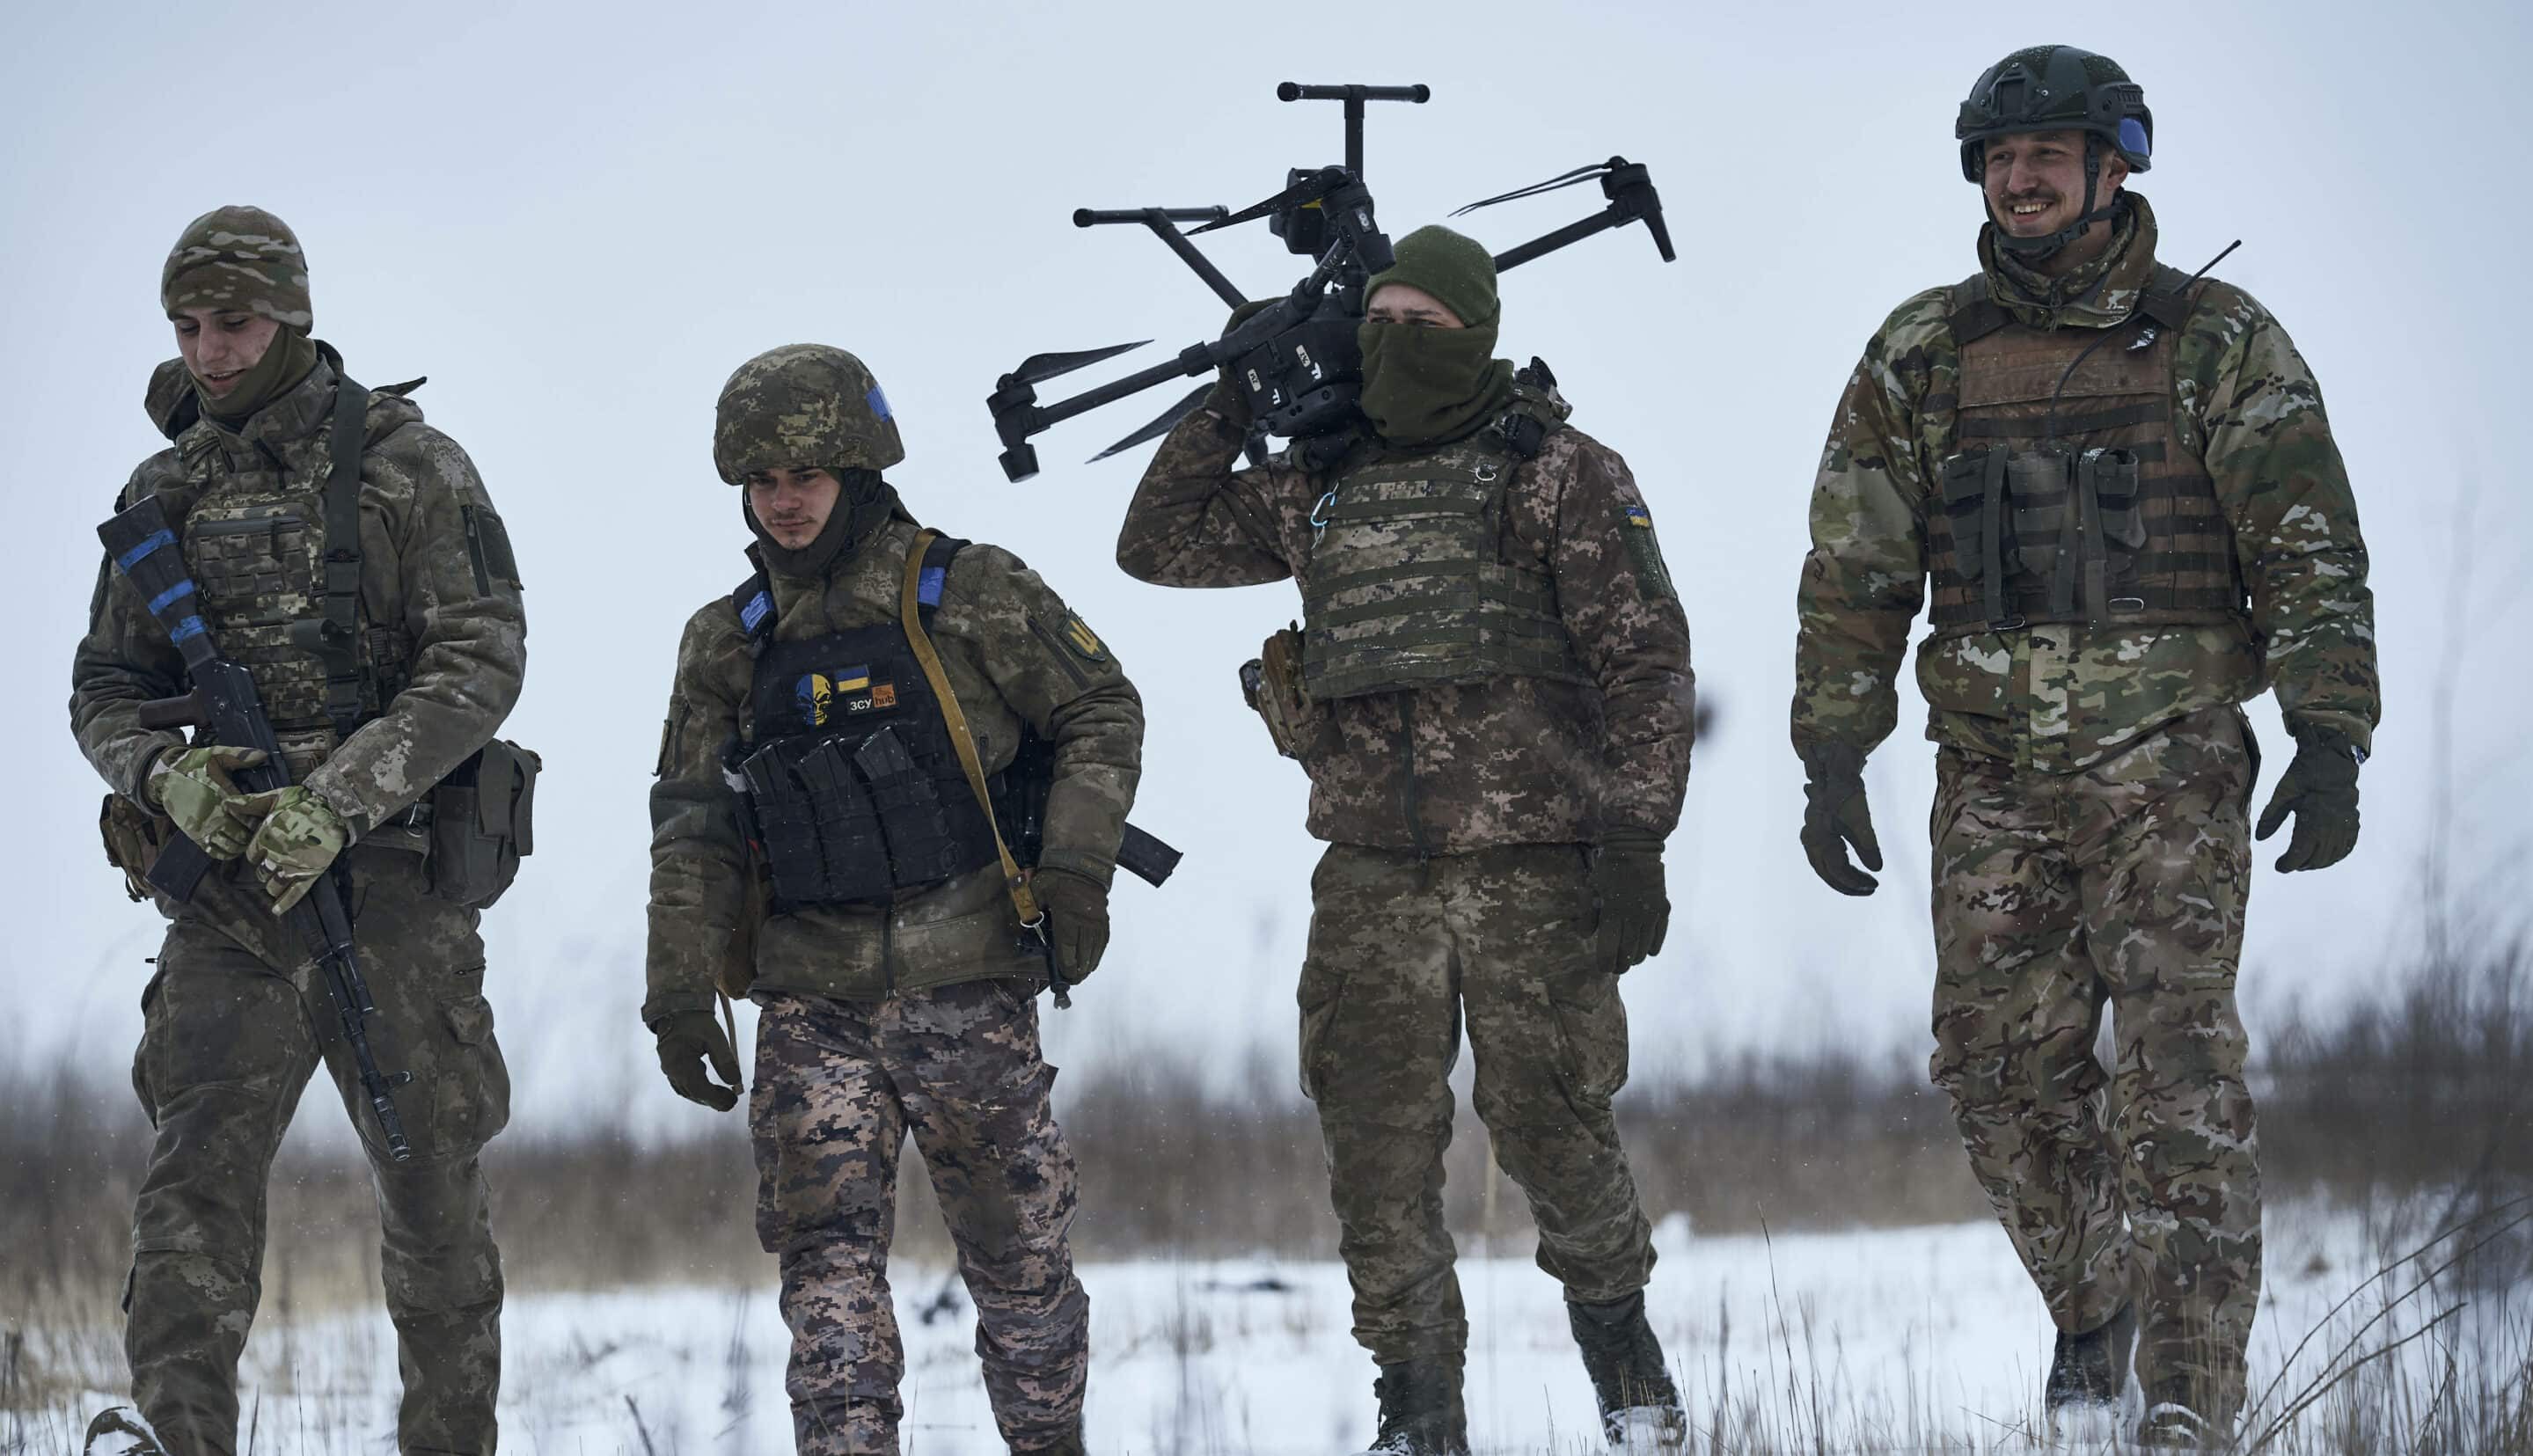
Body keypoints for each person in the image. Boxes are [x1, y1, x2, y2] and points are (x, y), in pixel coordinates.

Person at [1789, 47, 2378, 1445]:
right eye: (1999, 156)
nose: (2021, 174)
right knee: (1996, 1079)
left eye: (2051, 151)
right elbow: (1851, 566)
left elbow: (2306, 546)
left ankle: (2184, 1392)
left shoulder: (2213, 339)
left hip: (2163, 763)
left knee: (2178, 1079)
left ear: (2114, 168)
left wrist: (2328, 727)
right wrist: (1828, 751)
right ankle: (2092, 1297)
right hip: (1986, 775)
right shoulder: (1919, 352)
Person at [1117, 225, 1697, 1455]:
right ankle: (1418, 1407)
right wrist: (1232, 393)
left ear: (1475, 331)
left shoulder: (1557, 471)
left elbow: (1644, 659)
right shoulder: (1318, 483)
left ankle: (1626, 1366)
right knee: (1374, 1145)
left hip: (1532, 869)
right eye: (1374, 325)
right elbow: (1155, 544)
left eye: (1421, 324)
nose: (1394, 345)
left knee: (1552, 1127)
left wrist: (1636, 839)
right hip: (1371, 873)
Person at [72, 205, 528, 1456]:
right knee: (190, 1205)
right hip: (225, 905)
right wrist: (169, 779)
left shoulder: (407, 468)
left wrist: (340, 796)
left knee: (434, 1201)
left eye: (235, 321)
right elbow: (101, 687)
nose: (211, 350)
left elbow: (481, 657)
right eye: (188, 326)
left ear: (293, 316)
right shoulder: (159, 491)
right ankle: (177, 1439)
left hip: (389, 895)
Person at [644, 345, 1144, 1455]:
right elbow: (692, 823)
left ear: (859, 469)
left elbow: (1101, 709)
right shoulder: (726, 640)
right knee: (823, 1274)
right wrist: (678, 988)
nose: (782, 500)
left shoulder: (966, 589)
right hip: (808, 999)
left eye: (806, 475)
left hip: (965, 979)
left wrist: (1071, 872)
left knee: (1021, 1268)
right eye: (762, 478)